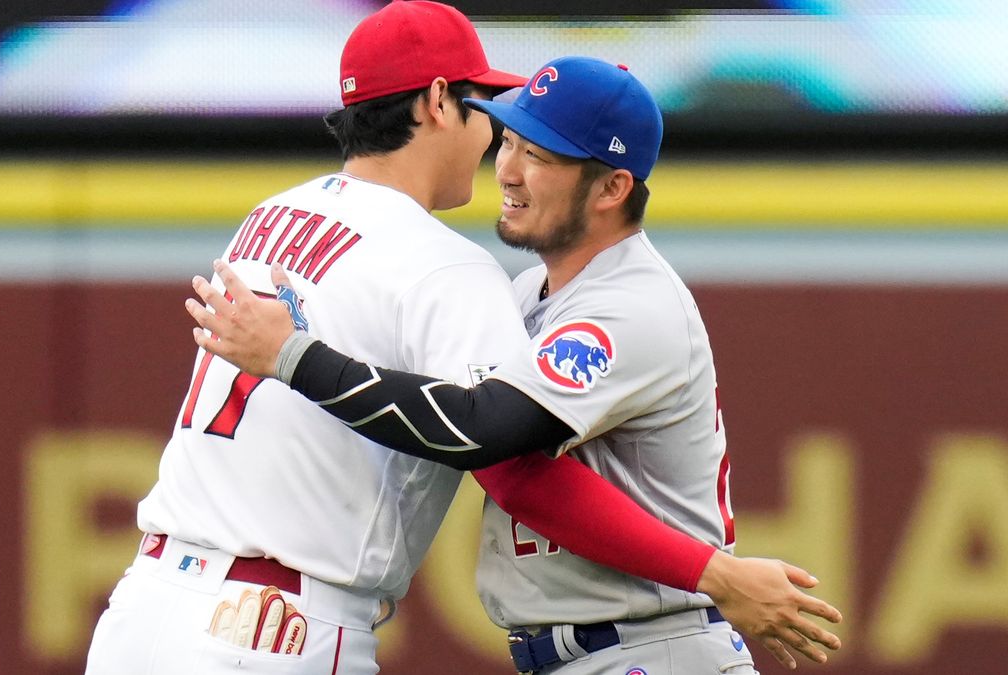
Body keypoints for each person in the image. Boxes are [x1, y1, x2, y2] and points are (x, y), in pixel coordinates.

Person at [185, 53, 842, 674]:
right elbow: (511, 474)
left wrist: (294, 356)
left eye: (541, 155)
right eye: (508, 141)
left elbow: (485, 431)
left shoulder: (629, 305)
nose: (508, 169)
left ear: (612, 186)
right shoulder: (529, 294)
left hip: (651, 645)